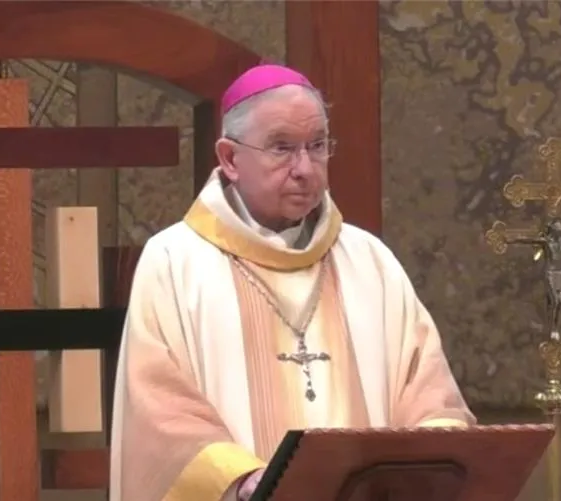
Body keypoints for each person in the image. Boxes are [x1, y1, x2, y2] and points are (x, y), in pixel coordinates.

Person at [109, 64, 476, 501]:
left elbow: (427, 391)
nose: (305, 168)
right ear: (229, 159)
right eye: (282, 147)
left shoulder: (369, 261)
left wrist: (431, 455)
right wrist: (240, 479)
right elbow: (158, 406)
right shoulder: (176, 261)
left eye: (317, 146)